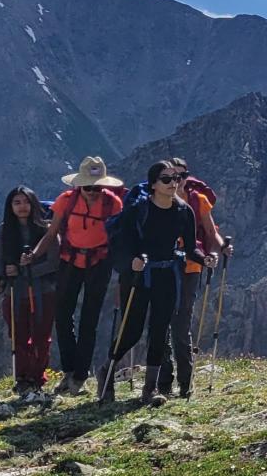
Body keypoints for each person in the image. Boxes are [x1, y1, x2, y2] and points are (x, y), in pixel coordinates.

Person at [95, 161, 213, 405]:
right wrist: (131, 263)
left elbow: (190, 248)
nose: (174, 183)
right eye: (166, 179)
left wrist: (205, 259)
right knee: (132, 329)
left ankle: (149, 390)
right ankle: (107, 370)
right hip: (138, 276)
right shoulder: (138, 210)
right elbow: (120, 246)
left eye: (176, 178)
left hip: (167, 274)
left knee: (160, 330)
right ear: (153, 185)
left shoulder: (184, 211)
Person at [24, 157, 125, 395]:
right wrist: (35, 254)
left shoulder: (114, 204)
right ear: (78, 185)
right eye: (88, 187)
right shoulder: (66, 202)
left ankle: (80, 375)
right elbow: (51, 234)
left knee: (89, 320)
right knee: (62, 316)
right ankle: (69, 370)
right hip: (70, 261)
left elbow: (119, 237)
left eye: (97, 187)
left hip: (100, 264)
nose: (92, 192)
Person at [152, 158, 229, 399]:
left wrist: (217, 251)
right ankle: (163, 382)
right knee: (160, 322)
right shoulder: (157, 203)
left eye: (181, 176)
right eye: (171, 177)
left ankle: (184, 382)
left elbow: (210, 232)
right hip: (163, 267)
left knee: (181, 322)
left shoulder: (198, 201)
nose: (177, 181)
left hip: (191, 266)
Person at [0, 186, 61, 398]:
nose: (22, 207)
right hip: (14, 292)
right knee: (18, 336)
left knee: (41, 336)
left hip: (43, 291)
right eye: (17, 202)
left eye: (26, 202)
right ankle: (22, 377)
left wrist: (24, 270)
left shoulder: (47, 229)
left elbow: (54, 262)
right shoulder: (4, 231)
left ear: (33, 204)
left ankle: (36, 376)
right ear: (10, 206)